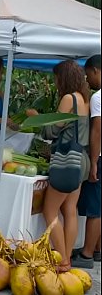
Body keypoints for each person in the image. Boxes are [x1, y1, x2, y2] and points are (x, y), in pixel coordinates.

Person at [26, 60, 91, 273]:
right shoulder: (84, 99)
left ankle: (62, 260)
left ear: (62, 78)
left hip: (66, 162)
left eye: (56, 78)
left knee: (50, 210)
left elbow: (52, 131)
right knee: (70, 209)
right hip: (81, 160)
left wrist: (36, 119)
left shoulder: (68, 98)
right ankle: (68, 259)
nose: (55, 83)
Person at [73, 54, 101, 269]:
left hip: (100, 157)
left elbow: (97, 130)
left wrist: (93, 162)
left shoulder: (97, 97)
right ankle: (98, 250)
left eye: (88, 74)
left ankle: (87, 254)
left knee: (94, 208)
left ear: (95, 70)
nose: (87, 79)